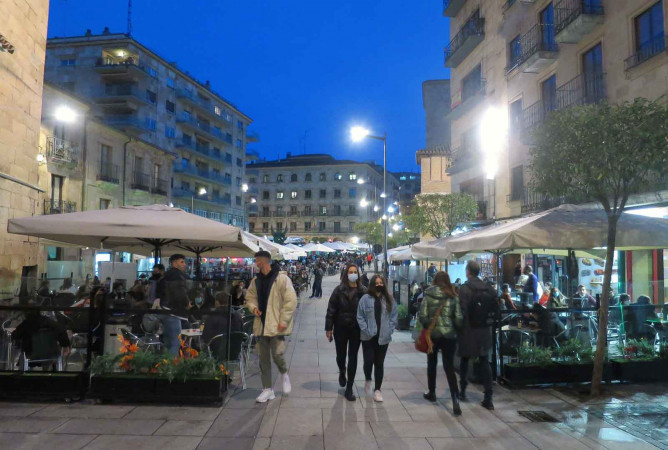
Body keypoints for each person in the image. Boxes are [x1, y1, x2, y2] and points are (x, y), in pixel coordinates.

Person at [246, 251, 297, 403]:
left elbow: (291, 301)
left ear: (264, 261)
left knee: (277, 354)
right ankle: (267, 389)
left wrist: (284, 320)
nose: (256, 263)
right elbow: (250, 298)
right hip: (261, 324)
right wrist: (253, 308)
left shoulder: (282, 279)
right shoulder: (256, 281)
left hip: (276, 324)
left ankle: (284, 373)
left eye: (257, 260)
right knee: (263, 358)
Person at [420, 271, 463, 415]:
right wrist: (455, 329)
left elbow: (422, 315)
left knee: (432, 363)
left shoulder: (428, 294)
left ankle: (432, 392)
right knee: (449, 367)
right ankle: (455, 398)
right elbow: (458, 318)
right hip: (449, 336)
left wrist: (429, 326)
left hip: (433, 336)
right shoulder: (453, 296)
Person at [458, 260, 497, 410]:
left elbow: (461, 310)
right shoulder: (488, 288)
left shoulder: (464, 289)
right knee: (484, 361)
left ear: (468, 271)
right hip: (485, 330)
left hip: (469, 330)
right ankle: (488, 397)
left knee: (464, 360)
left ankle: (463, 391)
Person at [325, 263, 366, 401]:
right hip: (340, 328)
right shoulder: (339, 290)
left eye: (355, 272)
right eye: (350, 272)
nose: (353, 274)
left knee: (353, 357)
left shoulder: (363, 291)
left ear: (358, 274)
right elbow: (331, 309)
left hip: (356, 329)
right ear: (346, 274)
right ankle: (342, 370)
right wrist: (329, 328)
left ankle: (349, 388)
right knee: (341, 356)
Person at [356, 274, 397, 402]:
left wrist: (390, 330)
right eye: (376, 283)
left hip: (383, 337)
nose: (379, 285)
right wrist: (366, 329)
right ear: (372, 284)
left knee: (379, 363)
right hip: (368, 337)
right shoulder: (365, 299)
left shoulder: (389, 299)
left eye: (381, 283)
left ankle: (378, 390)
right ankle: (368, 378)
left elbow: (393, 316)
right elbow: (360, 316)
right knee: (368, 361)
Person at [157, 254, 190, 355]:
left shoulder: (166, 275)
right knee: (175, 343)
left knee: (168, 342)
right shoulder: (177, 275)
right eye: (181, 262)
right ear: (174, 263)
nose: (184, 264)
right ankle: (172, 364)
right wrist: (187, 303)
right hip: (173, 312)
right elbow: (179, 293)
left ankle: (165, 363)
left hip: (165, 310)